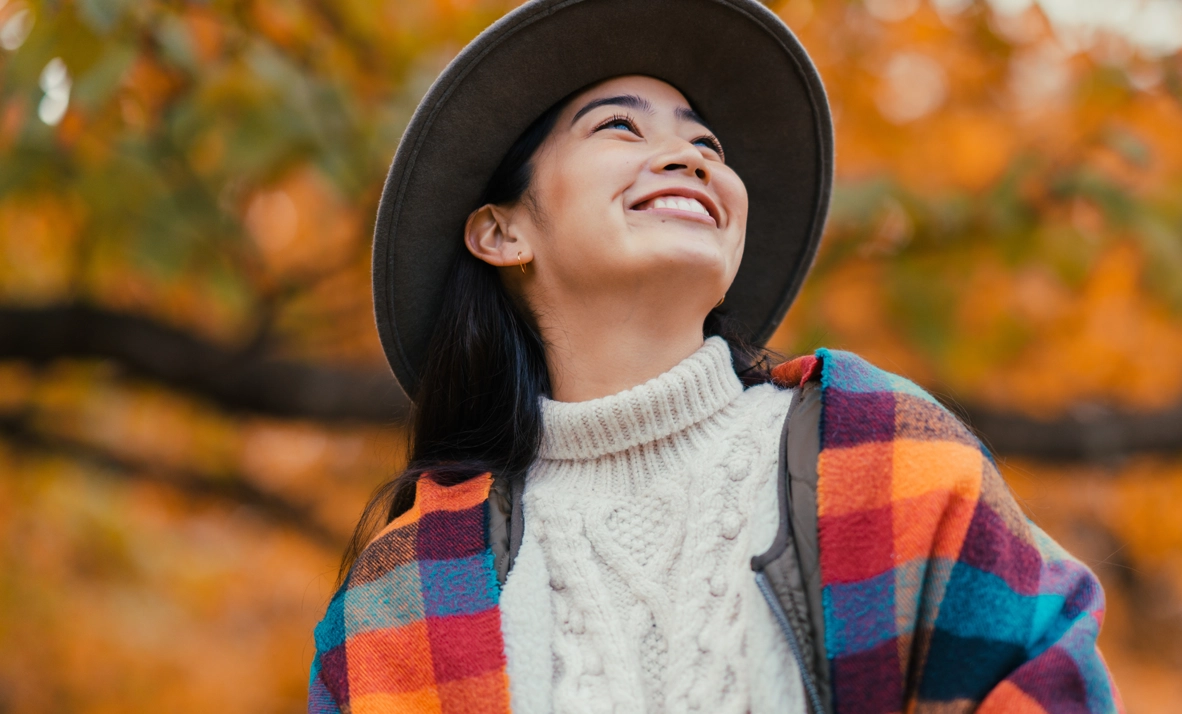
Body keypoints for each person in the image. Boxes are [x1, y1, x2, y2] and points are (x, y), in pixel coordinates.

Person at [306, 0, 1119, 712]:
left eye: (708, 145)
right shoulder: (403, 595)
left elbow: (1048, 679)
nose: (692, 156)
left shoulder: (879, 452)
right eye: (619, 126)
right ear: (501, 232)